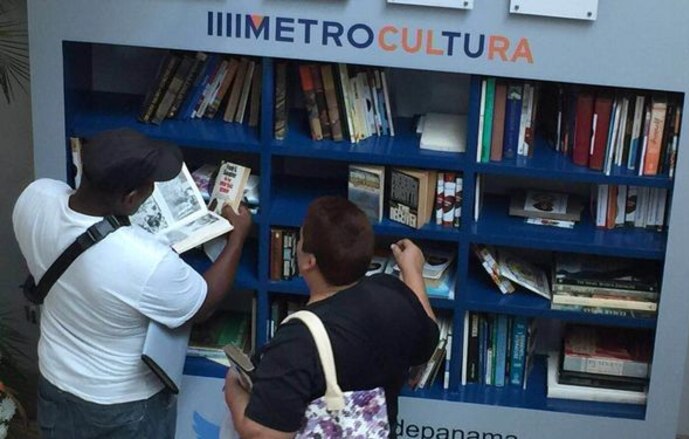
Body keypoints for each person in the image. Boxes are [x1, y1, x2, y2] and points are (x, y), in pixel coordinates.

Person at [12, 128, 252, 438]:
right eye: (149, 187)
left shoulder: (34, 197)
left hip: (55, 384)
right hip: (125, 406)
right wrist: (238, 238)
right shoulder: (145, 260)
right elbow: (202, 305)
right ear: (128, 199)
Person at [224, 196, 439, 438]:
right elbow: (428, 341)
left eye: (301, 239)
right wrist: (412, 271)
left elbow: (261, 433)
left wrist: (233, 386)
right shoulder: (391, 292)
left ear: (309, 262)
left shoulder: (298, 340)